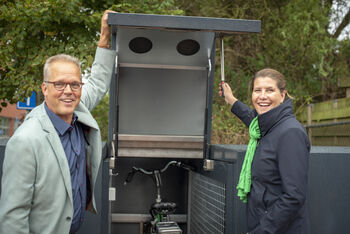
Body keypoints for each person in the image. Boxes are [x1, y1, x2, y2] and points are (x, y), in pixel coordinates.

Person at [0, 10, 116, 234]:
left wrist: (104, 38)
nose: (68, 91)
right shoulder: (26, 141)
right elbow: (13, 217)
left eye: (75, 84)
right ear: (45, 88)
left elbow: (99, 81)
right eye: (59, 84)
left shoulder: (77, 109)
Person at [220, 68, 310, 234]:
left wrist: (261, 231)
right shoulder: (266, 127)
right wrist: (231, 100)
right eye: (257, 90)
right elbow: (253, 119)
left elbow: (294, 196)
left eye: (270, 90)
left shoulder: (290, 133)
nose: (262, 96)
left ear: (283, 95)